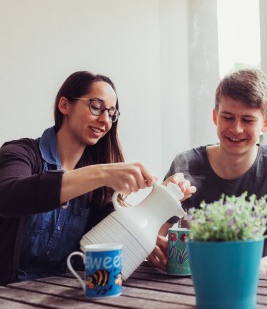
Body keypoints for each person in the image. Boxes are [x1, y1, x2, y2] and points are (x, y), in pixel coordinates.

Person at [0, 71, 193, 285]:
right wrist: (101, 173)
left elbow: (110, 237)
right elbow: (7, 196)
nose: (105, 120)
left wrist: (163, 199)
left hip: (62, 293)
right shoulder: (20, 153)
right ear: (64, 105)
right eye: (95, 107)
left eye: (111, 113)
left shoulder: (96, 186)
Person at [160, 68, 267, 274]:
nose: (236, 128)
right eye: (228, 117)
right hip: (197, 282)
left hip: (256, 284)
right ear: (215, 116)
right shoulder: (186, 163)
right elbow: (156, 234)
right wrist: (161, 204)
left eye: (247, 120)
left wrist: (263, 266)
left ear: (265, 124)